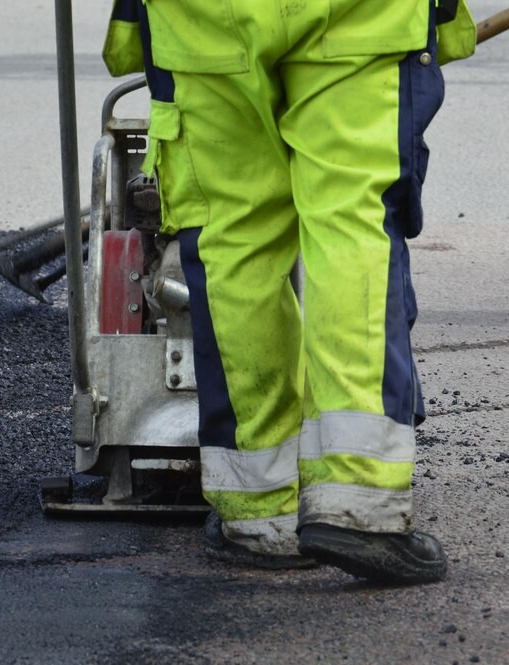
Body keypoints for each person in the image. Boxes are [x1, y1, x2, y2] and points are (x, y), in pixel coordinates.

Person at [103, 0, 475, 585]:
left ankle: (262, 511)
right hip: (357, 18)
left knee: (235, 240)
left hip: (203, 21)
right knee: (351, 223)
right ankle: (359, 503)